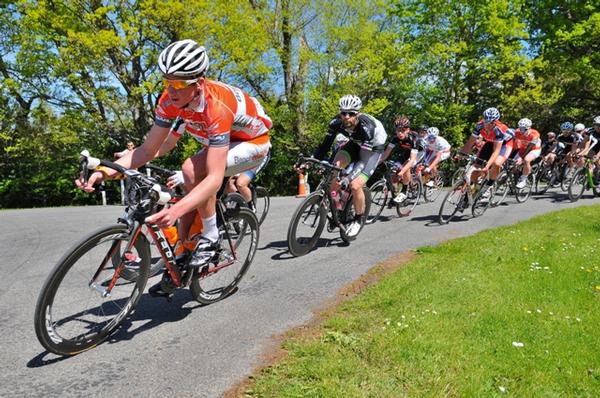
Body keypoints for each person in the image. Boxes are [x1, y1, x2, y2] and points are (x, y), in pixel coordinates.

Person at [76, 39, 272, 289]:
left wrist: (175, 211)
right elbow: (149, 149)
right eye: (167, 81)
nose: (171, 90)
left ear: (199, 83)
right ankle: (184, 253)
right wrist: (105, 172)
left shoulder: (216, 106)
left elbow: (214, 178)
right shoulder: (170, 101)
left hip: (253, 143)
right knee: (188, 192)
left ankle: (211, 236)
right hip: (222, 142)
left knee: (192, 171)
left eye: (178, 83)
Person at [312, 94, 388, 237]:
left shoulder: (367, 128)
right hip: (354, 143)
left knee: (355, 185)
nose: (346, 116)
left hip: (372, 151)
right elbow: (324, 146)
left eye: (351, 113)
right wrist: (311, 161)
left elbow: (363, 160)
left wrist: (348, 178)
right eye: (343, 113)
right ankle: (336, 204)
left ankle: (359, 219)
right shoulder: (336, 123)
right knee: (335, 168)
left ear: (358, 114)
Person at [459, 107, 514, 201]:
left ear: (495, 121)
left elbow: (496, 151)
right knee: (477, 166)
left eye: (491, 122)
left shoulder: (499, 130)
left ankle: (489, 186)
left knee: (496, 163)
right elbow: (470, 143)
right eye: (486, 121)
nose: (487, 124)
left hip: (505, 144)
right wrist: (461, 154)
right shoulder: (479, 125)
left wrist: (487, 166)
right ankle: (472, 191)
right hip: (490, 142)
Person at [380, 116, 424, 203]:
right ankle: (395, 193)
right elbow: (385, 153)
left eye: (403, 130)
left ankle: (404, 191)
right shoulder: (395, 138)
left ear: (408, 130)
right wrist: (376, 163)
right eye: (398, 130)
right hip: (407, 151)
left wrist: (402, 171)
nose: (400, 133)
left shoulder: (414, 139)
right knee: (394, 169)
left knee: (405, 167)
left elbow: (412, 160)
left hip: (419, 153)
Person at [513, 118, 541, 189]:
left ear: (529, 128)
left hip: (534, 149)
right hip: (523, 149)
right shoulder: (517, 132)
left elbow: (529, 147)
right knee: (513, 163)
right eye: (520, 129)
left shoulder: (535, 134)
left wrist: (521, 158)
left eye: (523, 129)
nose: (521, 131)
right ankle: (515, 180)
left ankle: (523, 179)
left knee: (526, 160)